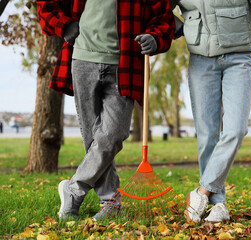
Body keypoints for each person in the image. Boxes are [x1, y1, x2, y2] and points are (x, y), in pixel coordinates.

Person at [36, 0, 175, 220]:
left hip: (125, 62)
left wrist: (155, 38)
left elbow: (163, 18)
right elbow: (47, 4)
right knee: (93, 137)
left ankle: (74, 189)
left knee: (114, 133)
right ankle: (110, 202)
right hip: (83, 59)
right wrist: (64, 26)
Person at [170, 0, 251, 223]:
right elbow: (157, 7)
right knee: (207, 135)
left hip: (239, 57)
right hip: (201, 59)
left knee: (236, 129)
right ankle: (218, 204)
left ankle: (202, 192)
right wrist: (178, 26)